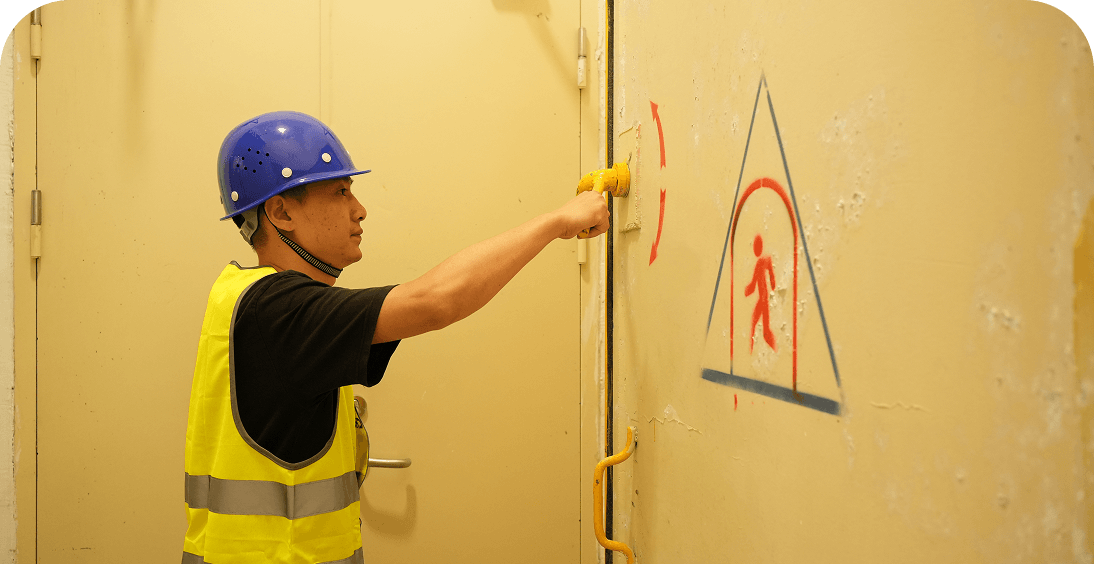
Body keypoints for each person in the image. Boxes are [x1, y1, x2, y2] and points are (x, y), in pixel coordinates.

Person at [182, 111, 608, 564]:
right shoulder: (279, 312)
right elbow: (435, 302)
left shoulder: (240, 297)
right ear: (281, 212)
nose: (359, 209)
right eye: (340, 192)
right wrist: (558, 222)